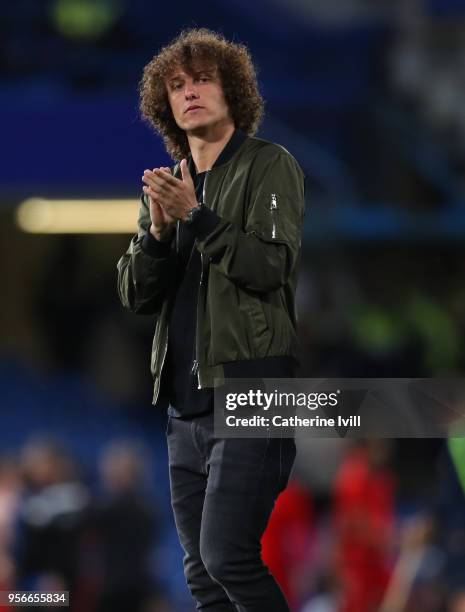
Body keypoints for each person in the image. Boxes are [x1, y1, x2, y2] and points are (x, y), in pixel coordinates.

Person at [117, 28, 305, 612]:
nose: (189, 92)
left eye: (203, 79)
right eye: (177, 85)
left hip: (255, 387)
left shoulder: (269, 165)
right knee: (202, 579)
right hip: (185, 406)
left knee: (227, 556)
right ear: (164, 104)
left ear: (234, 93)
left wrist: (195, 217)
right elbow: (136, 297)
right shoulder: (168, 189)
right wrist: (158, 232)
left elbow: (270, 266)